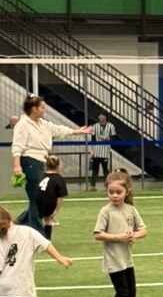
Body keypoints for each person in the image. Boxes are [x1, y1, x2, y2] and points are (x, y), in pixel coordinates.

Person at [11, 94, 92, 234]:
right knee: (36, 198)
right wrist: (17, 165)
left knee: (40, 197)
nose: (44, 110)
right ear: (34, 108)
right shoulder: (22, 124)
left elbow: (59, 130)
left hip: (42, 161)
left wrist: (76, 131)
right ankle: (37, 233)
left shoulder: (44, 124)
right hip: (30, 161)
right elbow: (17, 146)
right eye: (42, 108)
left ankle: (15, 225)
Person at [93, 169, 147, 297]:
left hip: (127, 259)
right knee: (122, 291)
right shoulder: (106, 211)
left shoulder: (131, 210)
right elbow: (98, 234)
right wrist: (118, 237)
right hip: (114, 260)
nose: (114, 196)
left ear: (126, 192)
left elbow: (144, 230)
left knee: (132, 291)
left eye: (118, 192)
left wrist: (134, 235)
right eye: (111, 192)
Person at [34, 155, 67, 240]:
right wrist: (56, 210)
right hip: (49, 200)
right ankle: (46, 240)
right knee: (48, 219)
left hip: (38, 199)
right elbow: (59, 197)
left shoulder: (42, 175)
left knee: (41, 219)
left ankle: (39, 237)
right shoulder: (59, 179)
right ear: (58, 165)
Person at [89, 111, 117, 188]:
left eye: (103, 115)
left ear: (106, 117)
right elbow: (93, 139)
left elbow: (114, 138)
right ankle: (92, 186)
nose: (101, 117)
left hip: (105, 151)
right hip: (96, 151)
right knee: (95, 170)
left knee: (105, 170)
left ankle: (107, 185)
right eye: (100, 115)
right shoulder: (95, 126)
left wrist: (107, 138)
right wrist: (92, 150)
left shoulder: (111, 126)